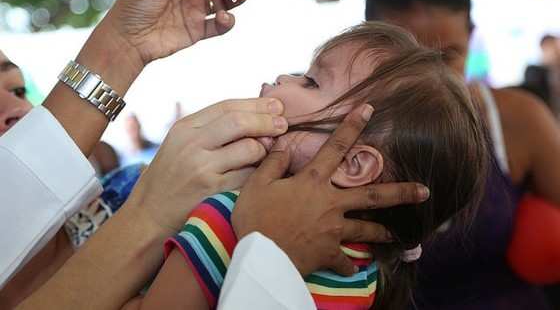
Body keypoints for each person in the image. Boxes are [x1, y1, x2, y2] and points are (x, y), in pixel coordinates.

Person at [1, 0, 430, 309]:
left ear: (359, 164)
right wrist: (262, 250)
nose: (281, 78)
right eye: (307, 76)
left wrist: (123, 47)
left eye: (16, 86)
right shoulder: (234, 218)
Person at [121, 22, 488, 310]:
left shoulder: (227, 218)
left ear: (354, 163)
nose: (283, 78)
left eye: (311, 81)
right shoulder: (366, 269)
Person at [366, 0, 560, 309]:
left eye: (447, 57)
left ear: (471, 38)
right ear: (369, 42)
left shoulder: (517, 118)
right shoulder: (340, 131)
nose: (428, 78)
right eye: (407, 60)